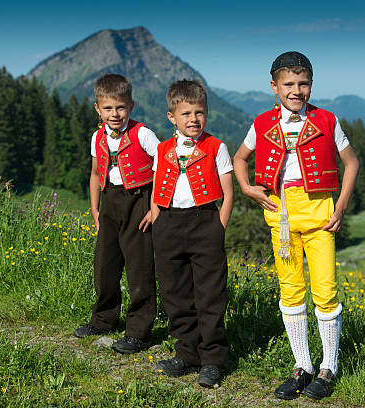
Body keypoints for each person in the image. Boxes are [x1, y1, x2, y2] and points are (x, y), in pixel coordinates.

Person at [233, 51, 359, 400]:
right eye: (289, 84)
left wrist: (342, 206)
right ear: (274, 87)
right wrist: (246, 188)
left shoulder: (328, 120)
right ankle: (302, 365)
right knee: (290, 290)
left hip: (320, 215)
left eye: (303, 84)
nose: (296, 90)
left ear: (311, 85)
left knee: (325, 290)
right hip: (281, 216)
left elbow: (351, 163)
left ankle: (328, 368)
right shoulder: (261, 124)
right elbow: (239, 158)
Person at [151, 79, 234, 388]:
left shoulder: (216, 147)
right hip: (168, 223)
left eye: (200, 112)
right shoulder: (162, 149)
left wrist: (218, 227)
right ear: (172, 117)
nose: (194, 120)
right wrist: (158, 221)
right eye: (186, 114)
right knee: (175, 293)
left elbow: (228, 193)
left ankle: (212, 359)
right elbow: (157, 188)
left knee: (210, 294)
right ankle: (186, 353)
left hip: (205, 223)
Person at [73, 74, 159, 356]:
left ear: (131, 106)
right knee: (105, 265)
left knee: (139, 268)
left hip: (138, 201)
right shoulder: (97, 136)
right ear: (97, 109)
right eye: (108, 108)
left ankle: (139, 332)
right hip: (109, 202)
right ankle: (103, 319)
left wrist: (155, 207)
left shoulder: (143, 134)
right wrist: (96, 210)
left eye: (120, 107)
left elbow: (164, 168)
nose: (115, 114)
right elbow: (96, 174)